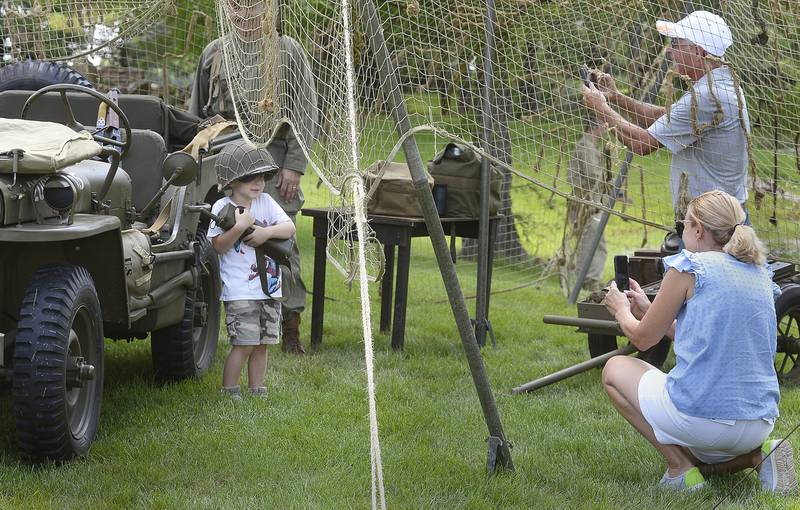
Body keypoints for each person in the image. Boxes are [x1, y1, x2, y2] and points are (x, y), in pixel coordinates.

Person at [601, 190, 797, 494]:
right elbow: (703, 339)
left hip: (703, 419)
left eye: (684, 226)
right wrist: (648, 309)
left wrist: (622, 310)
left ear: (699, 229)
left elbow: (642, 338)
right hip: (759, 420)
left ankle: (680, 468)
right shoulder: (759, 273)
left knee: (614, 369)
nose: (682, 234)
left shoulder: (687, 267)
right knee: (704, 444)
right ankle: (759, 456)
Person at [189, 0, 317, 354]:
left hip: (273, 166)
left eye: (253, 10)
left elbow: (305, 112)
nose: (245, 17)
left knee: (281, 248)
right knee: (218, 244)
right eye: (237, 9)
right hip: (223, 168)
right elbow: (194, 112)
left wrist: (294, 164)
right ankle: (223, 322)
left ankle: (289, 327)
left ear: (268, 11)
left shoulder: (287, 51)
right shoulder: (214, 53)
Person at [582, 11, 750, 217]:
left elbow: (642, 144)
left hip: (712, 227)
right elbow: (667, 117)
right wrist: (616, 97)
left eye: (677, 44)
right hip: (718, 219)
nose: (670, 51)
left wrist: (601, 108)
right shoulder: (719, 86)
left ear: (698, 52)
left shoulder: (709, 95)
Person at [208, 141, 296, 400]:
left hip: (269, 287)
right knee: (244, 343)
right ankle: (230, 390)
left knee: (263, 344)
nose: (257, 183)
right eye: (249, 178)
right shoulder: (221, 208)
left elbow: (289, 228)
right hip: (240, 291)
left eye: (261, 177)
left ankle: (258, 389)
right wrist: (239, 227)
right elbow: (218, 247)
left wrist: (264, 233)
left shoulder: (266, 202)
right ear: (231, 182)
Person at [566, 118, 609, 291]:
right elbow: (593, 174)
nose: (605, 130)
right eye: (603, 126)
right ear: (597, 126)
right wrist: (608, 176)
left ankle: (585, 278)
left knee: (590, 240)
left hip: (588, 202)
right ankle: (589, 280)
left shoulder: (588, 145)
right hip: (587, 204)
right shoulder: (587, 146)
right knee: (594, 242)